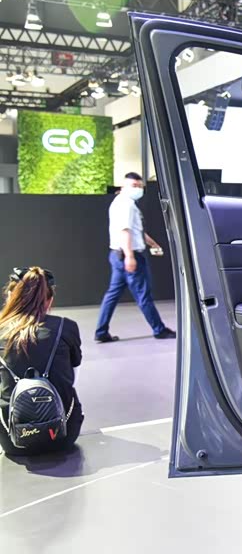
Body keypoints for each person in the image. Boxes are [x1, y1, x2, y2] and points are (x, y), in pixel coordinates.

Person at [0, 267, 83, 455]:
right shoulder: (66, 327)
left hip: (11, 439)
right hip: (62, 435)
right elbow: (72, 379)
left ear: (10, 296)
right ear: (49, 300)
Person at [95, 172, 175, 343]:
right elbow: (125, 231)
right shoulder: (127, 205)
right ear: (123, 186)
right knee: (143, 294)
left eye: (140, 186)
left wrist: (153, 244)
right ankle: (159, 330)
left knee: (112, 294)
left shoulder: (120, 202)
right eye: (134, 185)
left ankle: (101, 331)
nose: (137, 189)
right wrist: (130, 256)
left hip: (117, 255)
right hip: (128, 255)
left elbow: (136, 231)